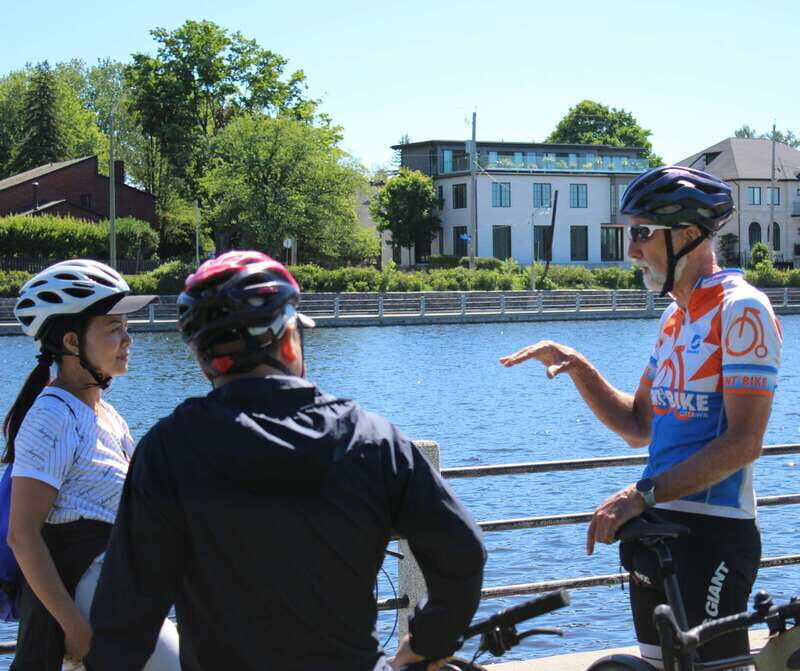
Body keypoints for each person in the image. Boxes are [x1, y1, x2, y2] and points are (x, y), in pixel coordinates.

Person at [85, 251, 486, 671]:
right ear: (288, 338)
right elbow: (462, 552)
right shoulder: (371, 439)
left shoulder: (168, 450)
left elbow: (125, 615)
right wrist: (427, 640)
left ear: (204, 357)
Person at [500, 166, 782, 666]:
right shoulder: (675, 318)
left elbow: (743, 443)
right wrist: (580, 368)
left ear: (690, 235)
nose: (631, 249)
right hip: (658, 530)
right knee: (657, 666)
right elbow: (639, 425)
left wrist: (638, 495)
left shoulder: (742, 311)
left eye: (642, 232)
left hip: (714, 531)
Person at [3, 259, 180, 671]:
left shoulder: (105, 415)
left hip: (115, 589)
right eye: (113, 328)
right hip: (89, 596)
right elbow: (22, 534)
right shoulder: (54, 415)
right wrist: (73, 624)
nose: (127, 339)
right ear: (71, 341)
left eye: (126, 327)